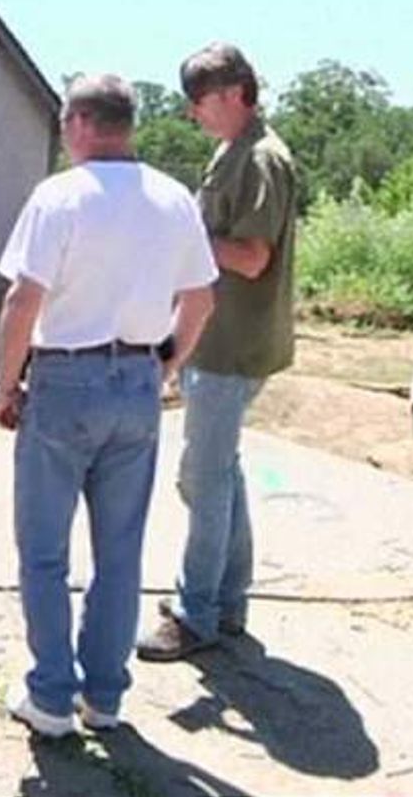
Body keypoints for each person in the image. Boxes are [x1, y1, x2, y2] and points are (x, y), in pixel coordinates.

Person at [0, 74, 217, 736]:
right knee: (119, 550)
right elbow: (201, 299)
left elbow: (22, 301)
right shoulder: (172, 199)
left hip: (66, 376)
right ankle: (106, 696)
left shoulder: (60, 197)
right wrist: (166, 364)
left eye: (65, 123)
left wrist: (6, 385)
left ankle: (52, 695)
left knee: (44, 550)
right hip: (137, 380)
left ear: (83, 123)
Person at [137, 43, 298, 662]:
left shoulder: (260, 159)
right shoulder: (234, 151)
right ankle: (227, 602)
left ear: (233, 93)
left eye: (198, 101)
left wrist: (185, 234)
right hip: (219, 338)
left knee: (202, 478)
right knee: (218, 471)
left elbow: (253, 258)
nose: (193, 114)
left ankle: (195, 613)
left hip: (234, 345)